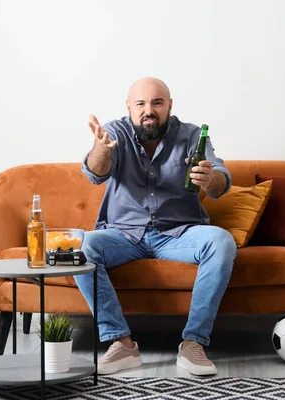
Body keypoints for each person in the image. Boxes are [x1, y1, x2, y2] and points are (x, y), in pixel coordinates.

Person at [74, 77, 237, 376]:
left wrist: (210, 178)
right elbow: (95, 173)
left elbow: (220, 181)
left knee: (221, 241)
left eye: (157, 103)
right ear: (129, 108)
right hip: (124, 234)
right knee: (83, 247)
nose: (149, 110)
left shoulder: (190, 135)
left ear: (169, 106)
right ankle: (121, 343)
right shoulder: (115, 132)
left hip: (179, 234)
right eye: (141, 104)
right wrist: (101, 149)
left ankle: (193, 344)